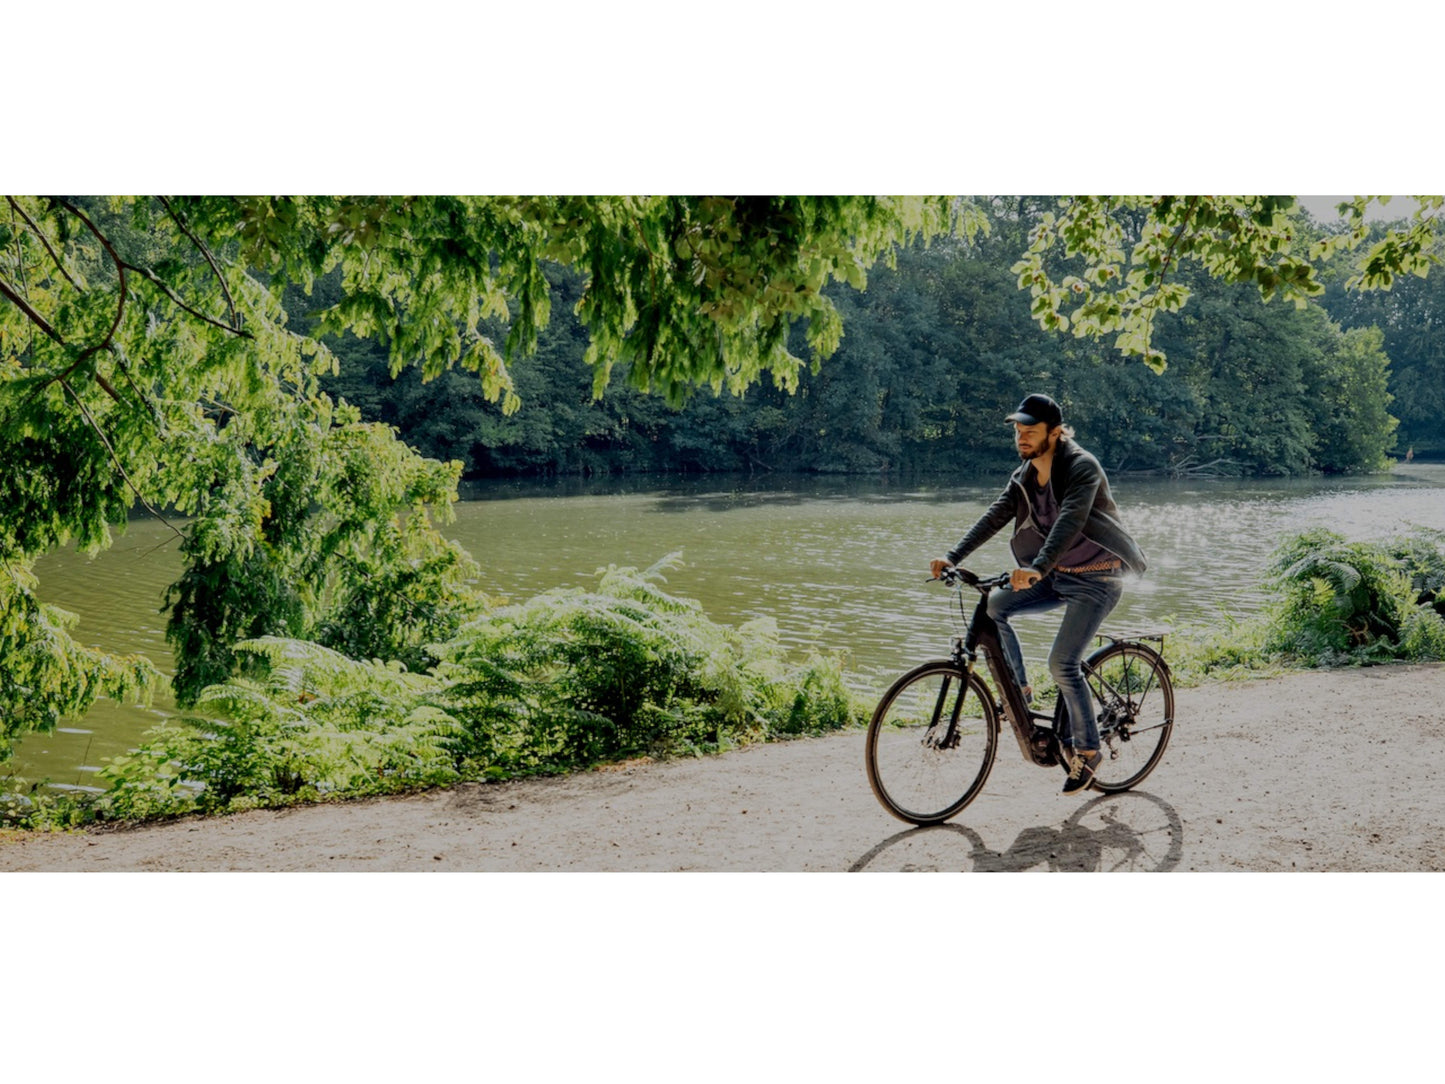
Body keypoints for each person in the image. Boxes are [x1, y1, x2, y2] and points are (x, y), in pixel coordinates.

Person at [930, 394, 1147, 794]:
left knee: (1063, 664)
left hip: (1098, 579)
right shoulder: (1025, 474)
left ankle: (1088, 750)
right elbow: (995, 515)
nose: (1021, 437)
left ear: (1056, 431)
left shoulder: (1082, 467)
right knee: (995, 607)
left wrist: (1035, 569)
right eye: (1018, 430)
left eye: (1030, 430)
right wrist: (952, 555)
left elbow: (1069, 521)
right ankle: (1019, 688)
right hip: (1056, 572)